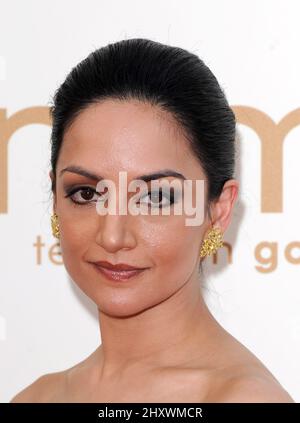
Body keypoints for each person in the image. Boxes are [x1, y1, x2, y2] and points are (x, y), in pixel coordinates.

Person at [11, 38, 294, 403]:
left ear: (218, 211)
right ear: (55, 199)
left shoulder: (242, 398)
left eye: (156, 198)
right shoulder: (38, 397)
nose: (113, 236)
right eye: (86, 193)